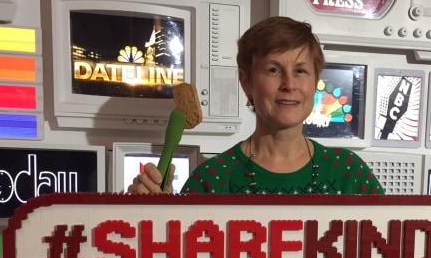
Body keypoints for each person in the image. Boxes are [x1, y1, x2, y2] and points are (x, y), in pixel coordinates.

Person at [127, 16, 384, 196]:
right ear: (247, 82)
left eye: (301, 70)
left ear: (315, 82)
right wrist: (152, 216)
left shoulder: (350, 173)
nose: (289, 84)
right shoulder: (211, 181)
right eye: (274, 70)